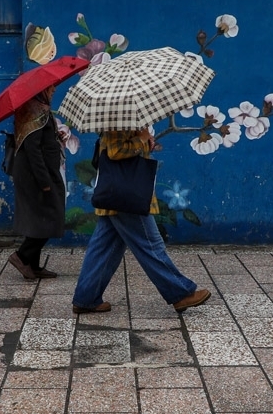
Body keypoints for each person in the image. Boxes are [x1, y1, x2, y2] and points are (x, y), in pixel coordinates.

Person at [71, 128, 211, 314]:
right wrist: (142, 139)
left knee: (103, 248)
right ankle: (180, 293)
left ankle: (86, 297)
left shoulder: (124, 117)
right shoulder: (118, 117)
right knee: (151, 245)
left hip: (117, 196)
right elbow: (115, 151)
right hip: (127, 197)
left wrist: (145, 141)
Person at [7, 85, 65, 280]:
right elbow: (33, 151)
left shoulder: (40, 111)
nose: (54, 91)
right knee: (49, 215)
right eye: (51, 89)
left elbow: (42, 140)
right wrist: (44, 181)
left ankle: (34, 265)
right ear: (41, 90)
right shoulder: (35, 112)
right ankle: (21, 256)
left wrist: (56, 138)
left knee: (39, 218)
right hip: (36, 175)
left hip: (41, 172)